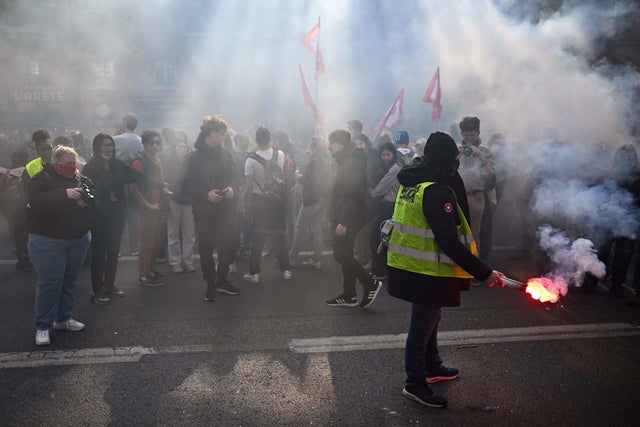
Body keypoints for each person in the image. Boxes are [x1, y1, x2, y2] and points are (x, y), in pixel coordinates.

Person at [387, 132, 505, 408]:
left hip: (414, 264)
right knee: (422, 325)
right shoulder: (436, 190)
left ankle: (432, 366)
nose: (456, 165)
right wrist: (485, 273)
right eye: (453, 159)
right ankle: (415, 383)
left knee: (431, 319)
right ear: (444, 159)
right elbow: (449, 241)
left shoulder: (414, 179)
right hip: (426, 268)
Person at [82, 133, 167, 304]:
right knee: (99, 253)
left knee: (114, 252)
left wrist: (158, 185)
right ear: (97, 147)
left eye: (111, 145)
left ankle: (109, 286)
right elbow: (90, 191)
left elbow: (137, 175)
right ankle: (96, 291)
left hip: (117, 213)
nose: (109, 148)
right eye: (105, 145)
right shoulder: (90, 168)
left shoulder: (117, 165)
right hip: (99, 215)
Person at [29, 145, 94, 346]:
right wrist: (64, 194)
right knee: (49, 284)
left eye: (73, 163)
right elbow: (34, 202)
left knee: (70, 281)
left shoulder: (80, 178)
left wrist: (86, 202)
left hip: (78, 237)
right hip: (47, 239)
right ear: (56, 162)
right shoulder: (41, 178)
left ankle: (64, 318)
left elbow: (94, 199)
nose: (71, 167)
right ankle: (42, 326)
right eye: (66, 164)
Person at [181, 115, 240, 301]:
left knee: (228, 246)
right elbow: (186, 184)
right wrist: (205, 194)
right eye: (221, 134)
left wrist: (232, 188)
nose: (224, 137)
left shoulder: (226, 154)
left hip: (225, 209)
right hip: (204, 211)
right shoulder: (194, 156)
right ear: (211, 133)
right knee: (206, 248)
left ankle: (221, 280)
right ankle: (211, 283)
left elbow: (235, 176)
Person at [325, 129, 382, 308]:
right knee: (345, 253)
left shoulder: (351, 164)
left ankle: (369, 283)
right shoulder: (347, 161)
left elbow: (353, 194)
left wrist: (343, 221)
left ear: (341, 145)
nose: (329, 147)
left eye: (332, 143)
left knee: (341, 254)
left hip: (349, 217)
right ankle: (349, 294)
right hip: (345, 215)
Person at [243, 126, 293, 283]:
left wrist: (245, 204)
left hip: (259, 201)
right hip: (277, 200)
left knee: (258, 237)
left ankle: (255, 274)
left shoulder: (250, 159)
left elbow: (249, 186)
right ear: (270, 138)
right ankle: (286, 270)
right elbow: (283, 176)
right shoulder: (280, 154)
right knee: (280, 235)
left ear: (256, 140)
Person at [131, 130, 169, 287]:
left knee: (154, 241)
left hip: (157, 205)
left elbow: (161, 183)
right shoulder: (139, 162)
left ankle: (151, 271)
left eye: (158, 142)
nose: (156, 145)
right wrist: (148, 205)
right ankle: (144, 275)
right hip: (147, 207)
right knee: (146, 242)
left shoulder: (157, 160)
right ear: (145, 144)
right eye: (152, 142)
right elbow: (134, 189)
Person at [289, 136, 332, 269]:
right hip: (322, 198)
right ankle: (317, 259)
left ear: (313, 147)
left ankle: (291, 257)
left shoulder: (312, 162)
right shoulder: (326, 160)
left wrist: (298, 176)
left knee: (300, 228)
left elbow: (309, 181)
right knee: (317, 229)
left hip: (311, 198)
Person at [457, 116, 495, 262]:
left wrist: (481, 157)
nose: (469, 138)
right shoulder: (457, 149)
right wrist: (456, 156)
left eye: (472, 135)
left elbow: (491, 176)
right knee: (457, 234)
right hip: (458, 197)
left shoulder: (485, 151)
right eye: (466, 135)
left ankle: (475, 268)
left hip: (476, 197)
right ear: (461, 134)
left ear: (478, 133)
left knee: (473, 235)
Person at [369, 141, 401, 280]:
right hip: (387, 207)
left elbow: (379, 190)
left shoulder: (394, 170)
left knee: (378, 238)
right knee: (384, 239)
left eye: (388, 154)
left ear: (393, 154)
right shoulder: (388, 168)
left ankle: (380, 270)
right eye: (383, 155)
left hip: (390, 207)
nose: (385, 157)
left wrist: (371, 191)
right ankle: (383, 269)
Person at [164, 134, 196, 274]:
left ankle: (188, 261)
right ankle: (175, 261)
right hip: (174, 200)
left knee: (189, 234)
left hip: (189, 201)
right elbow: (167, 181)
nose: (182, 149)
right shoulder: (169, 163)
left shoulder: (192, 162)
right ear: (175, 149)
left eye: (184, 146)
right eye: (179, 146)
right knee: (173, 233)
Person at [114, 113, 143, 256]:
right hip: (134, 180)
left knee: (119, 216)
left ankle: (117, 249)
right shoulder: (140, 140)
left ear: (124, 124)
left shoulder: (116, 140)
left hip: (118, 181)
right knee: (133, 215)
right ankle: (134, 248)